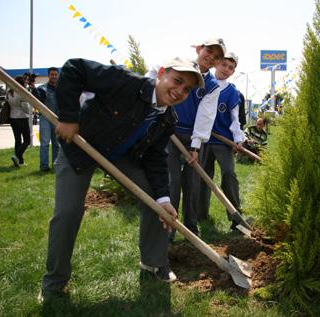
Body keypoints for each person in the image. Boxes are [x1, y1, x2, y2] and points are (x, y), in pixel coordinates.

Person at [38, 57, 204, 302]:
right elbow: (75, 68)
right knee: (68, 213)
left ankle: (153, 261)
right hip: (80, 146)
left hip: (120, 156)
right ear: (161, 73)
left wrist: (163, 197)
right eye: (177, 81)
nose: (179, 91)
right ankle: (53, 282)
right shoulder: (126, 82)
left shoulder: (168, 119)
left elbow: (155, 159)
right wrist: (69, 117)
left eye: (187, 89)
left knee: (158, 202)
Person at [146, 38, 226, 236]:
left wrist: (196, 145)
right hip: (168, 132)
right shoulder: (177, 66)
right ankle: (169, 229)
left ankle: (191, 227)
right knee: (172, 180)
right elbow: (152, 80)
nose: (211, 58)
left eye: (217, 57)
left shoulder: (212, 86)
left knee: (192, 183)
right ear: (199, 49)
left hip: (192, 136)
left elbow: (205, 117)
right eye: (209, 51)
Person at [197, 52, 244, 229]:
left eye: (231, 67)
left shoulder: (232, 92)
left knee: (229, 173)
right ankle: (201, 214)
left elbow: (234, 119)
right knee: (203, 176)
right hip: (203, 139)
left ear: (233, 72)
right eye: (224, 64)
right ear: (217, 64)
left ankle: (235, 217)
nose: (226, 69)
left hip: (223, 141)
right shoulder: (204, 84)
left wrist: (238, 138)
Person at [34, 67, 60, 171]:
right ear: (48, 75)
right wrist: (33, 88)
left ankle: (55, 166)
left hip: (57, 119)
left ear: (58, 75)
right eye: (52, 74)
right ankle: (44, 166)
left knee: (56, 144)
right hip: (45, 118)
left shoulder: (61, 88)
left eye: (55, 74)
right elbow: (38, 99)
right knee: (44, 143)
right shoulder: (42, 88)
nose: (54, 76)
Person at [7, 76, 31, 167]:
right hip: (22, 118)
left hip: (12, 118)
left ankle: (20, 162)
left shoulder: (9, 92)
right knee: (27, 140)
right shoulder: (22, 92)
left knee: (17, 140)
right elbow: (26, 108)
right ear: (22, 83)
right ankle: (16, 155)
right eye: (25, 82)